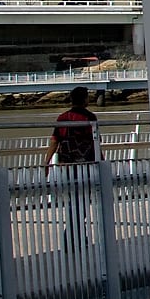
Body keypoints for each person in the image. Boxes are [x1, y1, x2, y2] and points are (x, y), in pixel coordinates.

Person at [44, 86, 98, 248]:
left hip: (66, 166)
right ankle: (76, 236)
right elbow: (95, 143)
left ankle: (74, 236)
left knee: (72, 200)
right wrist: (100, 162)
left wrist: (46, 162)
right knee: (82, 201)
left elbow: (55, 140)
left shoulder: (62, 118)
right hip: (86, 165)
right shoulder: (90, 118)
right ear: (85, 99)